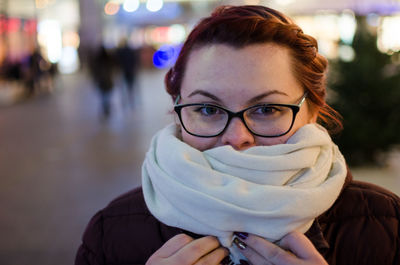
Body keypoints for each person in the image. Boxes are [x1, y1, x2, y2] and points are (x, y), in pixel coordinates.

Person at [75, 5, 400, 265]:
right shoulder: (112, 231)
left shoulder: (387, 226)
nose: (236, 137)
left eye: (267, 109)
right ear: (177, 109)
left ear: (313, 110)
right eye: (207, 109)